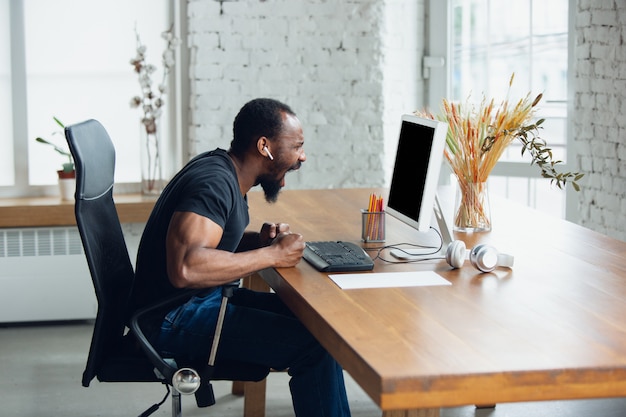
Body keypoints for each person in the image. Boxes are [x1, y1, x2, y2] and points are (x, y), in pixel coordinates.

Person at [130, 98, 351, 416]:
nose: (303, 156)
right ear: (265, 146)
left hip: (192, 305)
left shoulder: (225, 171)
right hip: (170, 319)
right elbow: (186, 268)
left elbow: (209, 246)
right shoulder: (214, 183)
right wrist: (271, 254)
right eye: (297, 146)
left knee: (321, 326)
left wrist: (256, 243)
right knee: (314, 346)